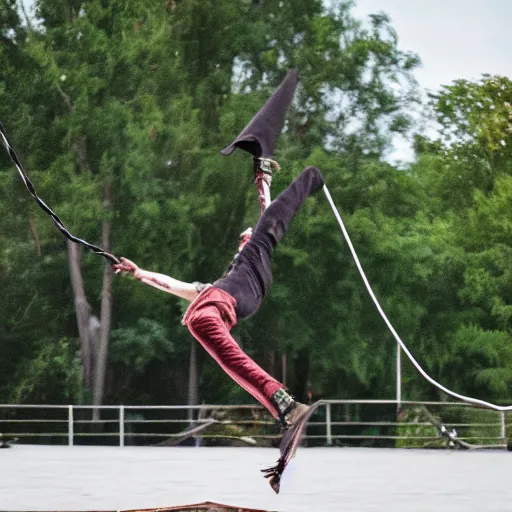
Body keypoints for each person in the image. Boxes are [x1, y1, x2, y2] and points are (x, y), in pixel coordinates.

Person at [114, 165, 324, 430]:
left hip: (218, 313)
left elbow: (271, 216)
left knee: (235, 364)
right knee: (234, 362)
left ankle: (282, 407)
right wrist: (140, 273)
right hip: (209, 312)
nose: (250, 234)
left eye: (250, 233)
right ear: (241, 247)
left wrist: (266, 178)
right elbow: (175, 286)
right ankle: (284, 405)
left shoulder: (257, 254)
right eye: (245, 237)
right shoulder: (239, 265)